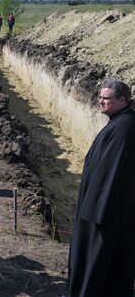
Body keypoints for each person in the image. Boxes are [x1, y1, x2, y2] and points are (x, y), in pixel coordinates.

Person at [67, 79, 135, 297]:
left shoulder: (125, 127)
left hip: (102, 214)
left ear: (122, 100)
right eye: (100, 97)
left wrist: (94, 215)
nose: (100, 102)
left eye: (106, 98)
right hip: (95, 208)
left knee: (98, 263)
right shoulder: (119, 122)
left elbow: (113, 175)